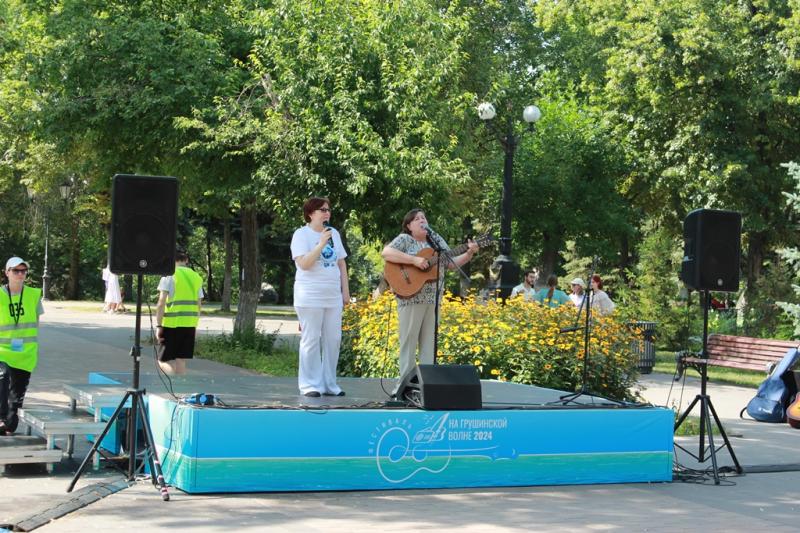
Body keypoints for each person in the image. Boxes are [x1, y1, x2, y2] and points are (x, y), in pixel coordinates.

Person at [381, 209, 479, 380]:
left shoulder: (436, 240)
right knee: (409, 343)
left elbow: (450, 263)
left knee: (429, 344)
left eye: (424, 217)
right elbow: (386, 253)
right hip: (410, 297)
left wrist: (469, 252)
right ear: (409, 226)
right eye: (417, 219)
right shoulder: (405, 239)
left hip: (433, 300)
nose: (421, 220)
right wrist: (414, 260)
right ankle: (404, 386)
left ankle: (426, 385)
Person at [291, 197, 350, 397]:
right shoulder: (301, 234)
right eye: (322, 210)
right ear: (310, 213)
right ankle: (309, 385)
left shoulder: (334, 234)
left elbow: (341, 263)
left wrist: (346, 292)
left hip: (332, 295)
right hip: (309, 295)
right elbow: (304, 264)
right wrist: (320, 244)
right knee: (311, 339)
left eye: (328, 209)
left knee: (333, 339)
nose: (327, 213)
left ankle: (329, 384)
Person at [0, 257, 44, 435]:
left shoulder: (33, 295)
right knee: (2, 378)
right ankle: (1, 418)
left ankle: (8, 426)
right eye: (15, 270)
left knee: (16, 397)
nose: (19, 274)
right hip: (2, 351)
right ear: (7, 273)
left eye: (23, 271)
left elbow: (36, 322)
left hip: (25, 353)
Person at [155, 250, 204, 375]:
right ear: (186, 260)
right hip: (189, 324)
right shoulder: (196, 277)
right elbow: (199, 305)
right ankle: (180, 391)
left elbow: (161, 303)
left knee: (162, 361)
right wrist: (195, 324)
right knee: (181, 360)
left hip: (171, 323)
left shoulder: (169, 275)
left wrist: (159, 325)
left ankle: (173, 384)